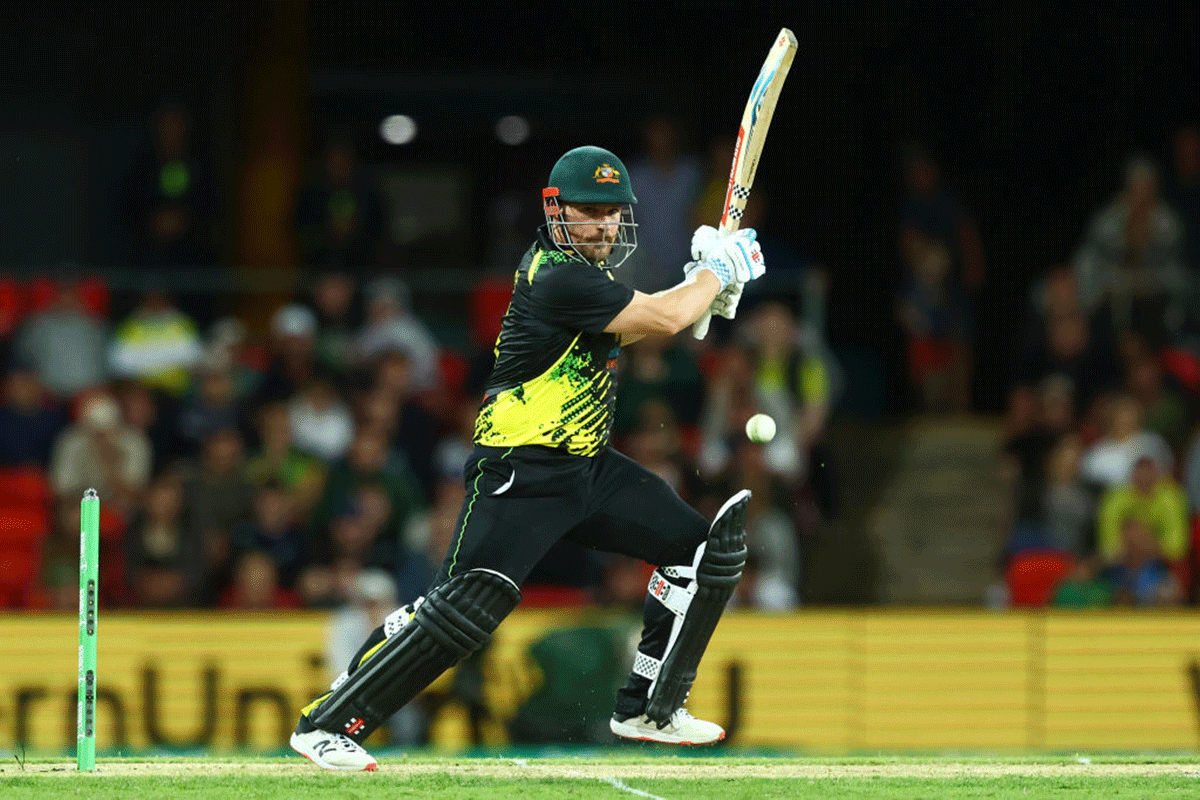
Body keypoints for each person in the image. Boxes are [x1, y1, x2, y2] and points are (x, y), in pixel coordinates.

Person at [289, 145, 765, 770]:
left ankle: (649, 704)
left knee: (705, 554)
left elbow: (641, 323)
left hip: (587, 467)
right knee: (466, 609)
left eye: (613, 212)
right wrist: (713, 276)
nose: (602, 224)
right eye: (587, 211)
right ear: (556, 211)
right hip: (521, 468)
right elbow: (665, 316)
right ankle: (326, 725)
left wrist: (707, 284)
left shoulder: (587, 281)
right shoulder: (556, 274)